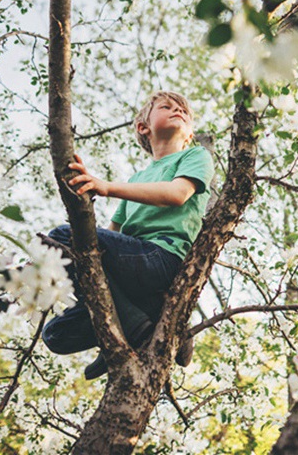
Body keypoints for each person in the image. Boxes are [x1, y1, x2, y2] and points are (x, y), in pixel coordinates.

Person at [41, 91, 214, 380]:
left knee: (61, 235)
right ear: (143, 127)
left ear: (190, 133)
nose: (179, 111)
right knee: (55, 334)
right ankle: (137, 322)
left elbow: (177, 194)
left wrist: (105, 187)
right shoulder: (136, 180)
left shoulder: (196, 156)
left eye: (184, 110)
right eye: (167, 107)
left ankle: (133, 325)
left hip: (161, 258)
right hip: (133, 275)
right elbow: (103, 242)